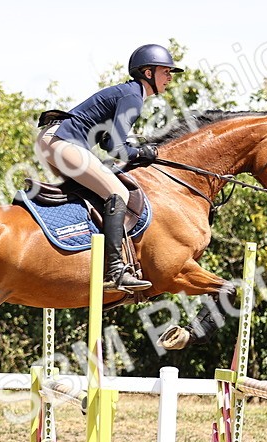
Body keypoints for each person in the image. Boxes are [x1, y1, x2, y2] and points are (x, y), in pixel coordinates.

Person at [35, 44, 183, 293]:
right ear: (148, 72)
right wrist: (143, 152)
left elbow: (106, 141)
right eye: (165, 71)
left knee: (96, 192)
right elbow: (116, 147)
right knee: (118, 193)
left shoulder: (130, 93)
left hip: (55, 139)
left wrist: (137, 148)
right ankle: (115, 271)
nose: (169, 77)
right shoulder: (133, 96)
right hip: (62, 140)